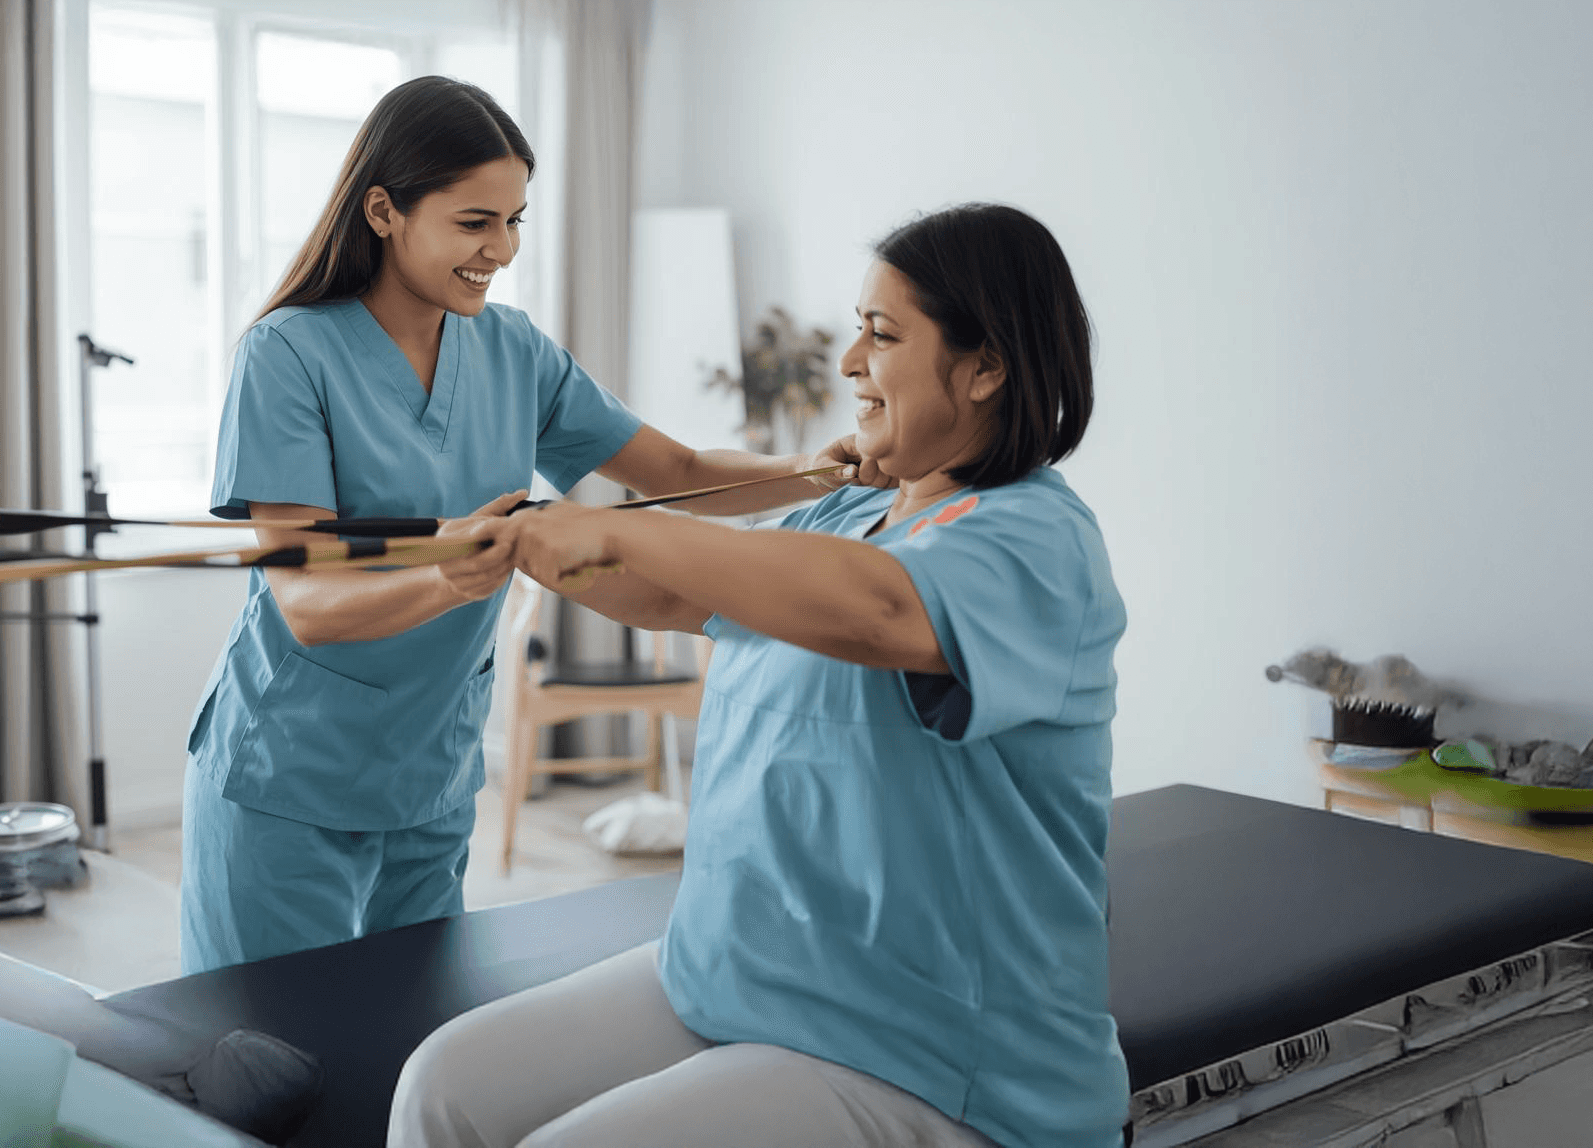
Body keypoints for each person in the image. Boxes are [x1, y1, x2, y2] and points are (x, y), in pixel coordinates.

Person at [388, 203, 1128, 1148]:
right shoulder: (849, 515)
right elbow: (677, 597)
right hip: (739, 969)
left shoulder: (1035, 540)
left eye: (883, 336)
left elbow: (881, 611)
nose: (850, 364)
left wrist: (616, 524)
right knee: (443, 1088)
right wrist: (533, 543)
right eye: (857, 332)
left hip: (923, 1044)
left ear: (986, 368)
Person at [180, 76, 865, 975]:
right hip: (287, 772)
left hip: (430, 771)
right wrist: (452, 576)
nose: (499, 249)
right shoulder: (289, 354)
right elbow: (306, 600)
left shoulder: (512, 350)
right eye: (474, 222)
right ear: (383, 211)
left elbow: (681, 476)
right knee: (256, 1065)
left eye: (514, 222)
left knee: (405, 1044)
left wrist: (819, 468)